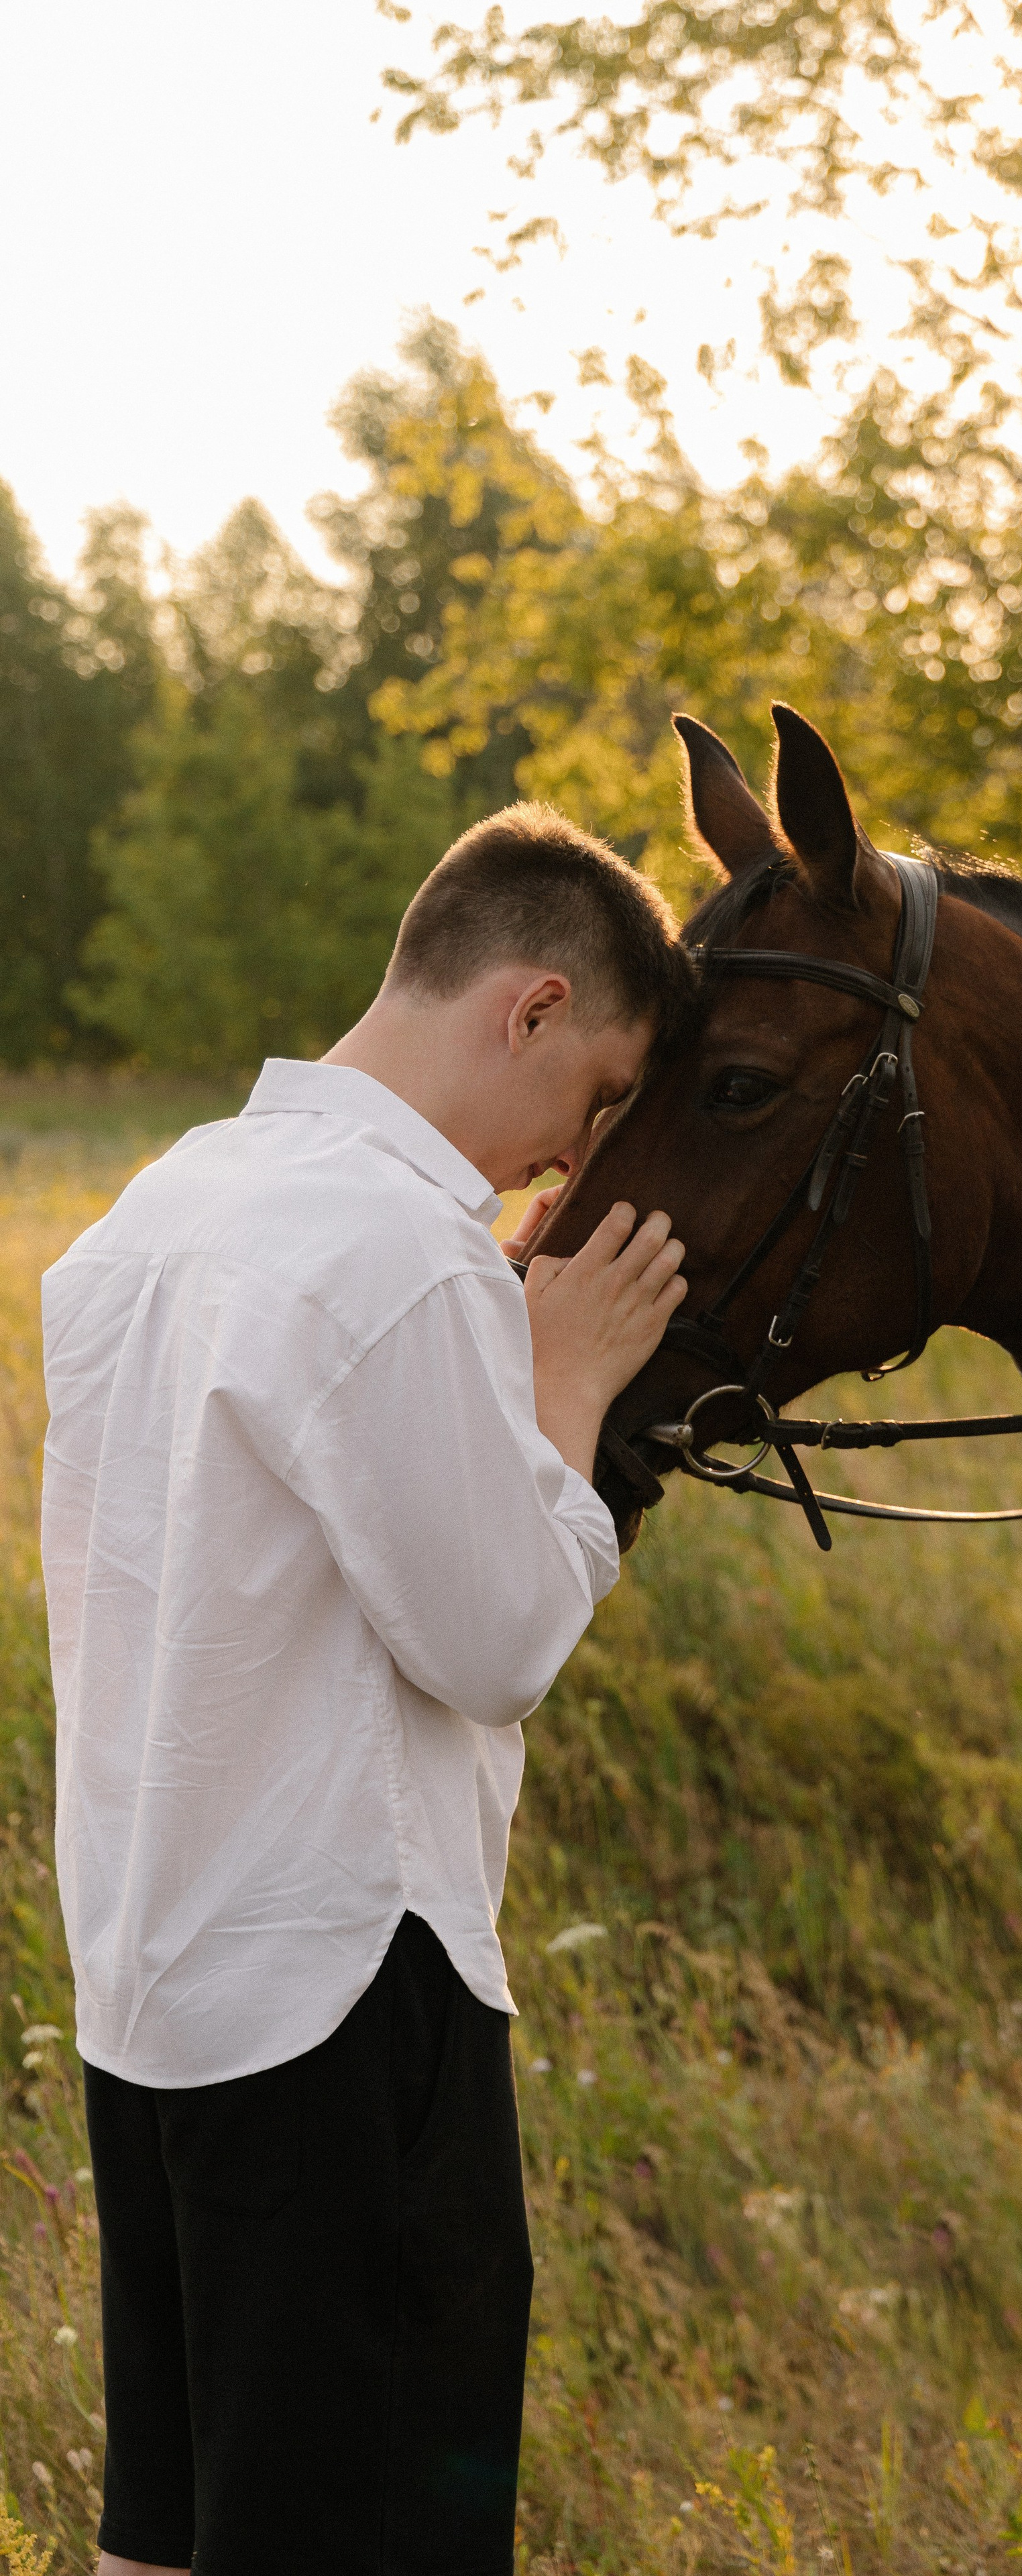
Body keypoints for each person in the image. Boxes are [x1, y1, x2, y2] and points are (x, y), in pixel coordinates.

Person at [41, 803, 693, 2576]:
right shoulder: (402, 1255)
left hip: (155, 1980)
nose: (580, 1163)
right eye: (604, 1095)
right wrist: (563, 1393)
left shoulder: (153, 1215)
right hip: (348, 1993)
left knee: (173, 2527)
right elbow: (494, 1647)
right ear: (533, 1011)